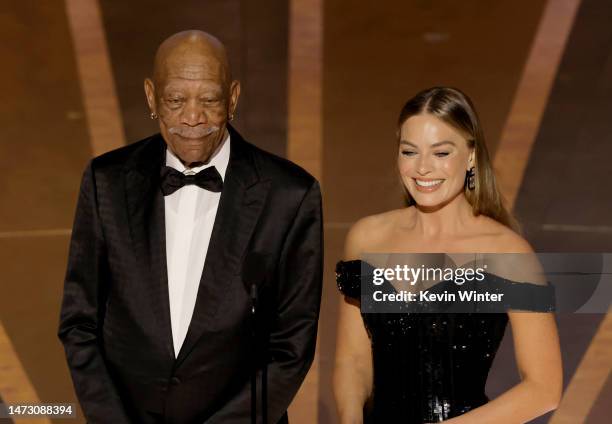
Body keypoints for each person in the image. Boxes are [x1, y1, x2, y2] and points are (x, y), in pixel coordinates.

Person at [58, 30, 323, 424]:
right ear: (152, 97)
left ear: (232, 98)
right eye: (176, 100)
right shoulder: (106, 182)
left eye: (210, 100)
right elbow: (80, 322)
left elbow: (291, 346)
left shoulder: (290, 195)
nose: (193, 117)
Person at [333, 87, 562, 423]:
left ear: (471, 156)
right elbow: (352, 361)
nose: (423, 168)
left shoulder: (508, 253)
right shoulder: (367, 238)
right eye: (410, 152)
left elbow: (544, 389)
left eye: (441, 153)